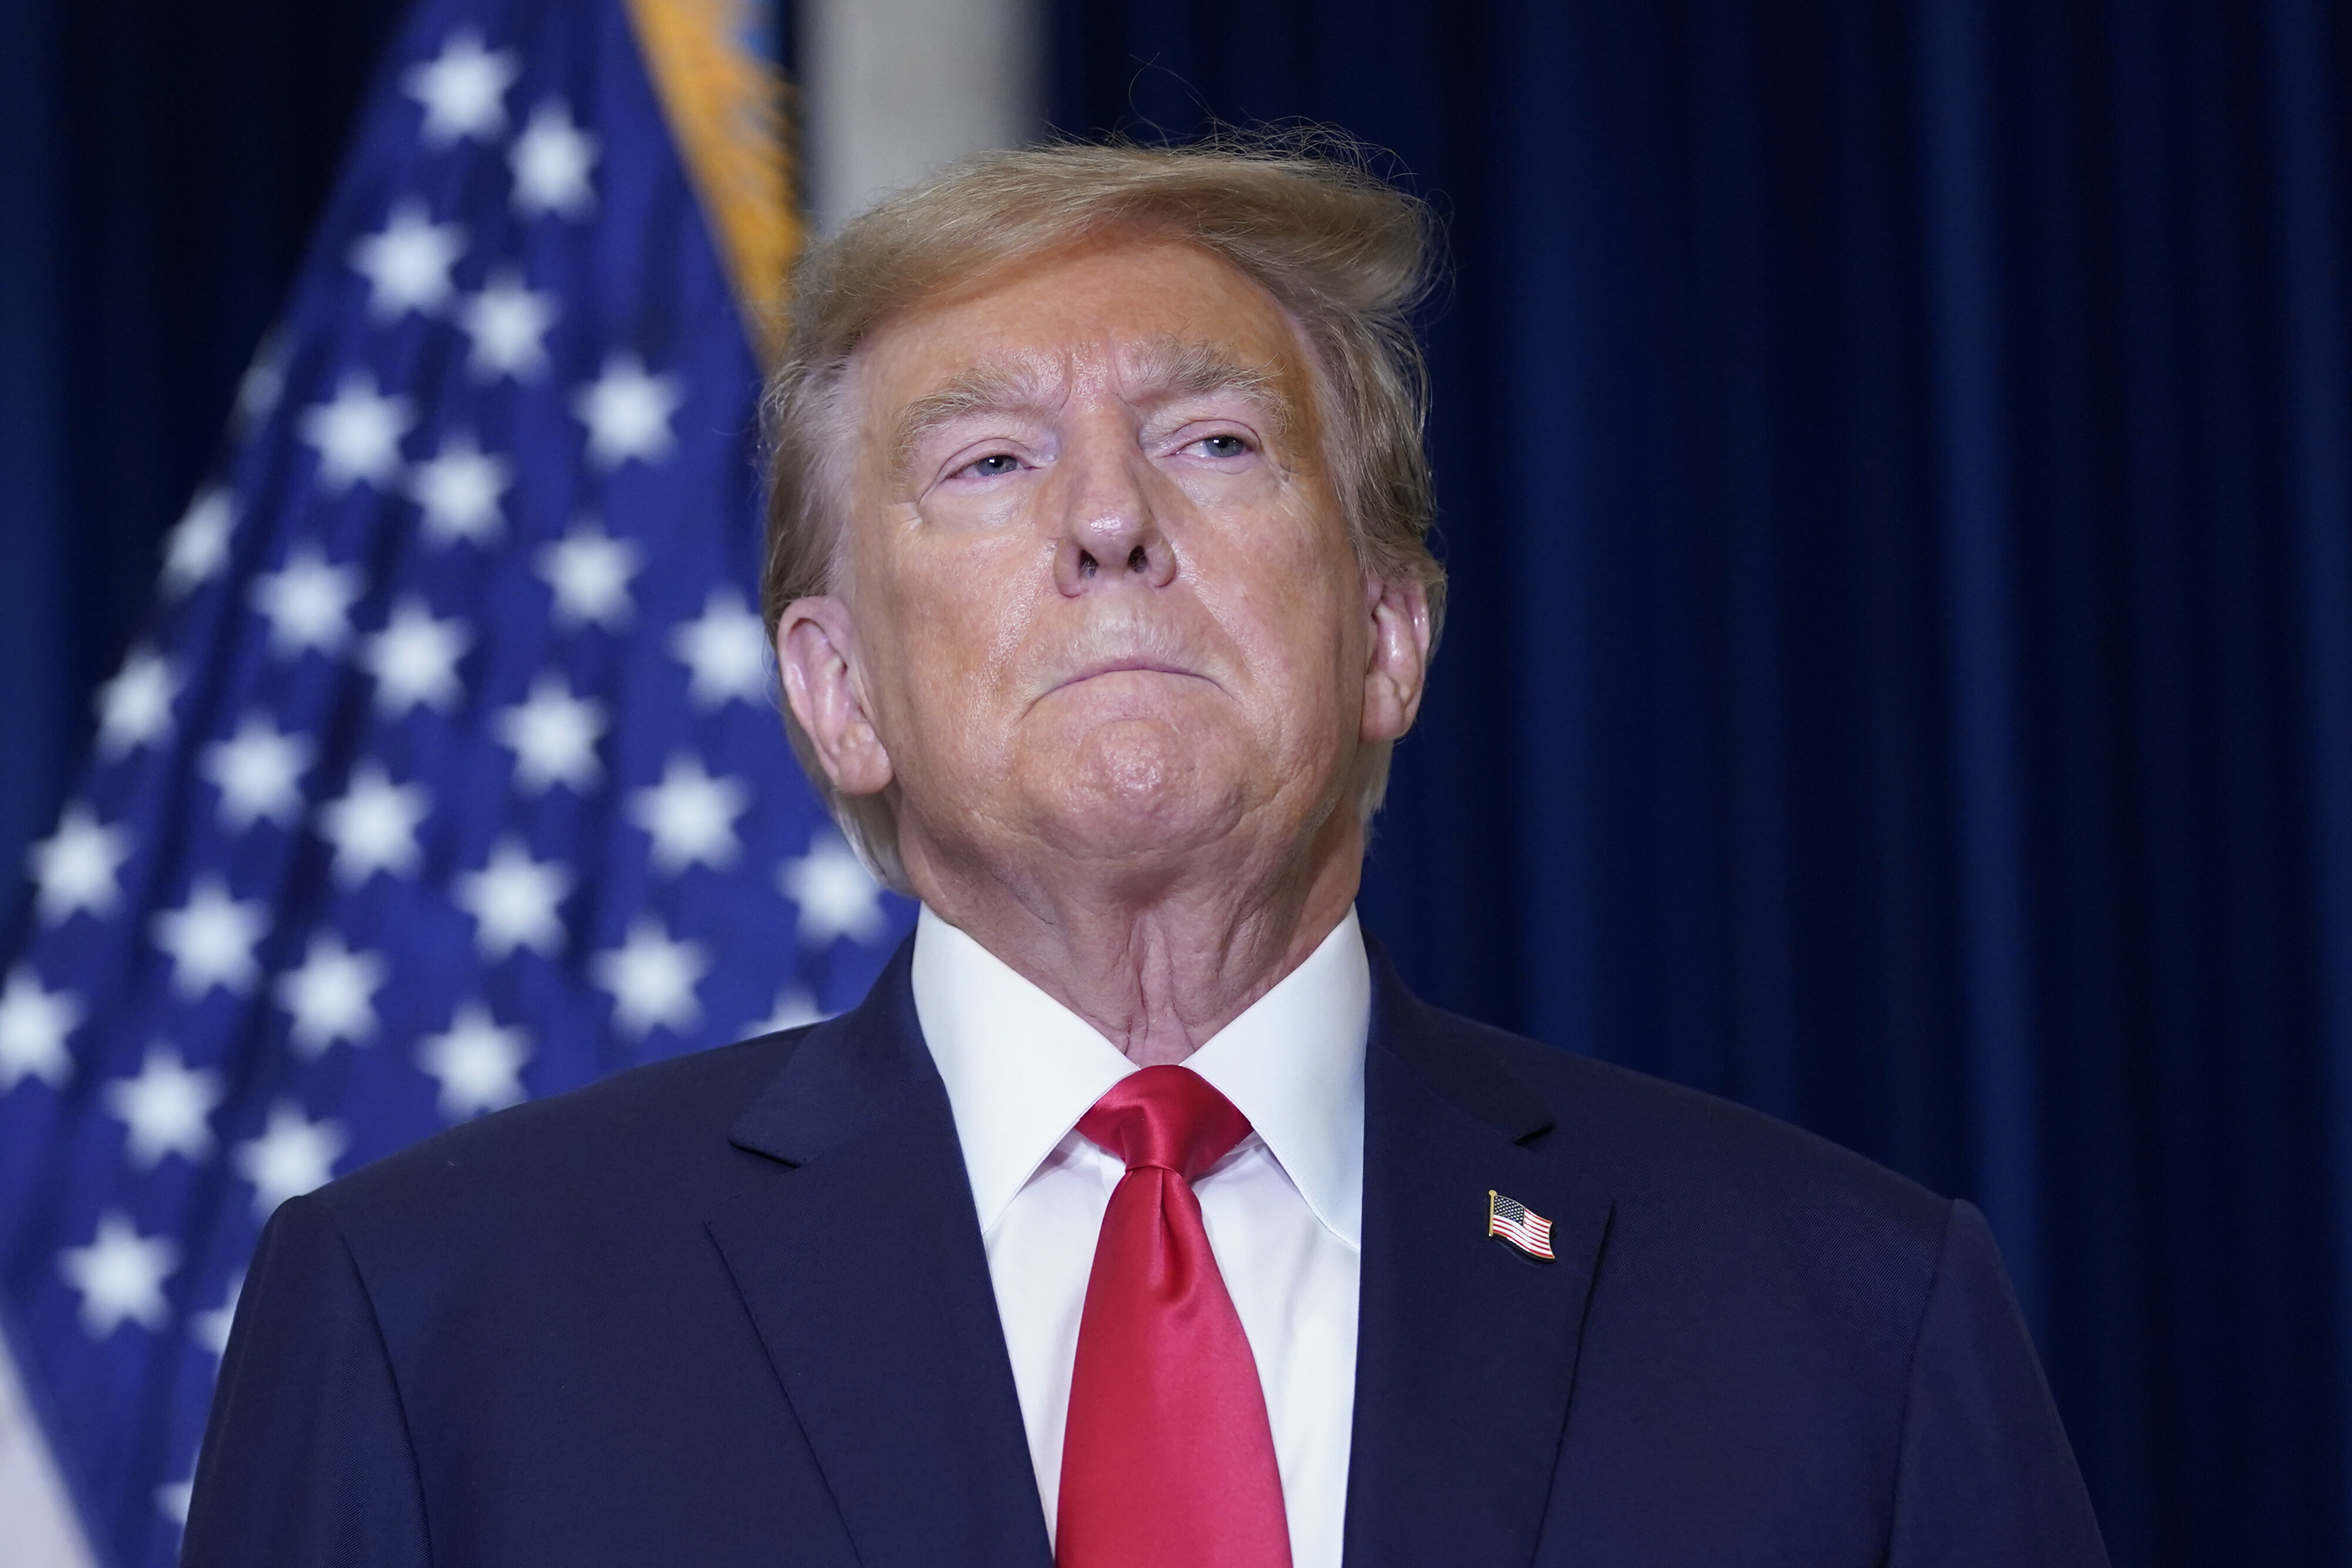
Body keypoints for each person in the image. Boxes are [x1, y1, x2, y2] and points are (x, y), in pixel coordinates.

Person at [184, 140, 2109, 1568]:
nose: (1108, 522)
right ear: (837, 691)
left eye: (1211, 442)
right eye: (992, 464)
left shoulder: (1855, 1321)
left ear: (1387, 636)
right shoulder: (433, 1324)